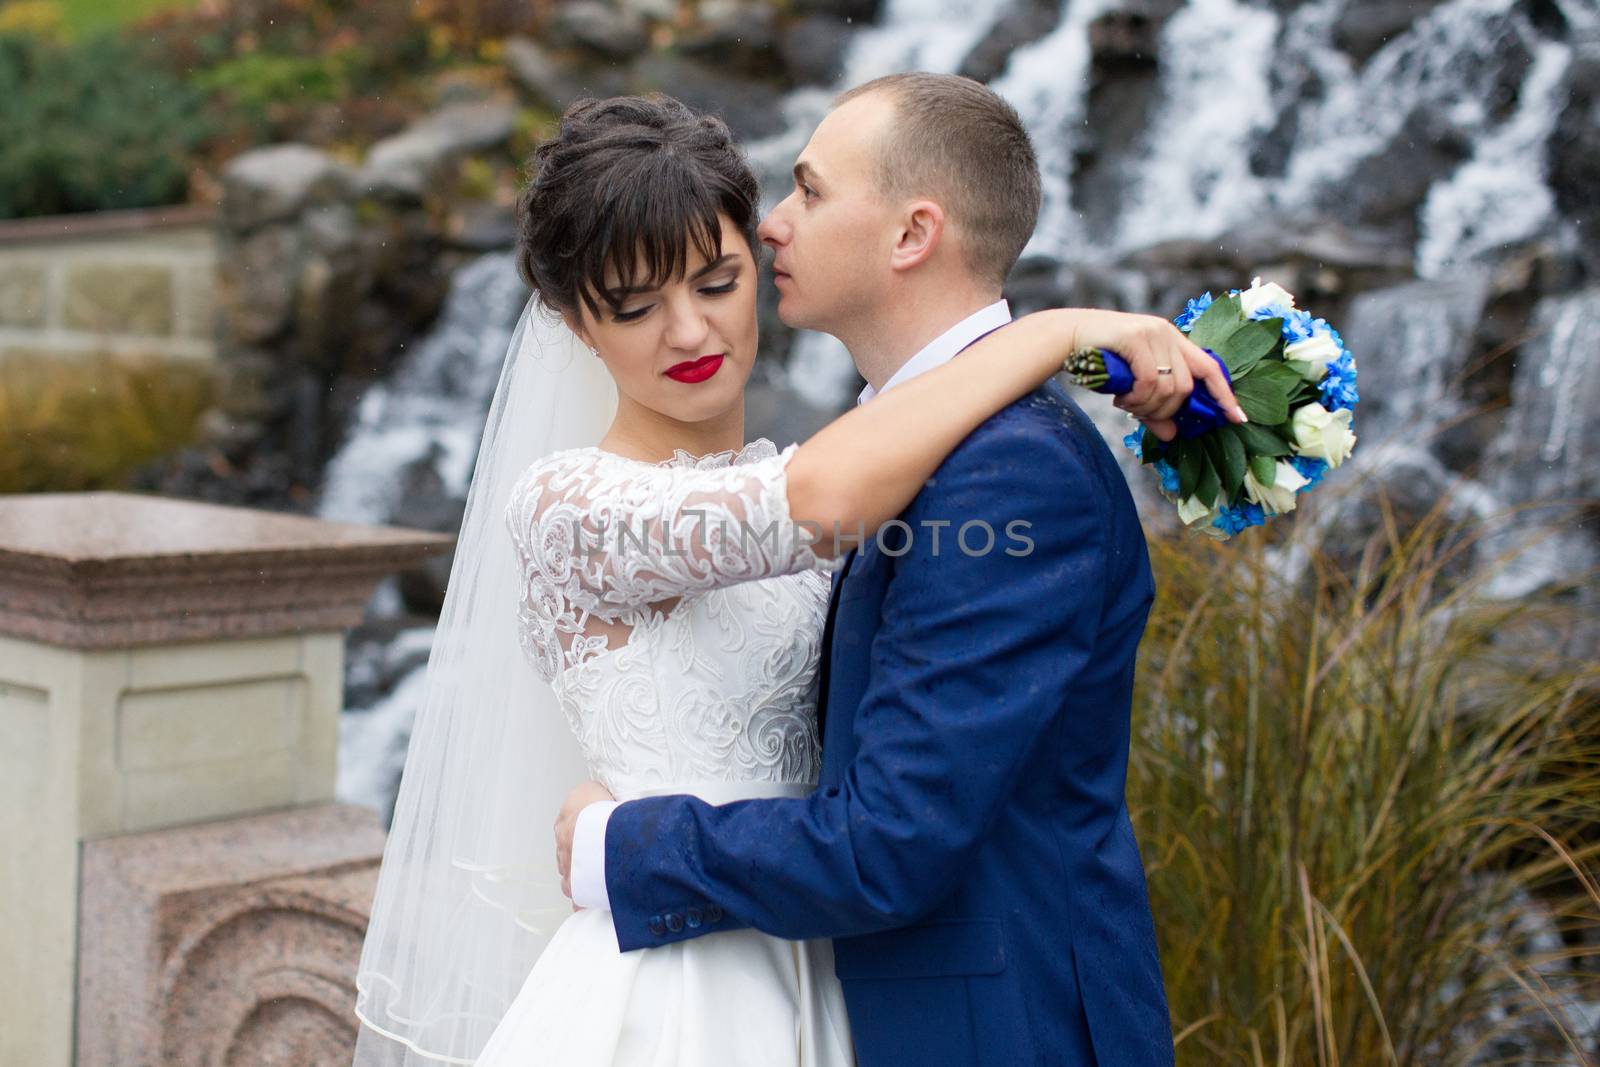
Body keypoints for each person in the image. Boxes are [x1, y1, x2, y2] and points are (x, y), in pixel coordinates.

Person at [352, 80, 1237, 1067]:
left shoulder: (959, 463)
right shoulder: (580, 503)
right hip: (680, 990)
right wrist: (1056, 335)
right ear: (573, 324)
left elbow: (888, 822)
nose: (689, 330)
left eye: (718, 277)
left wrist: (623, 842)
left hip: (854, 971)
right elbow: (815, 506)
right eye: (636, 305)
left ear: (910, 235)